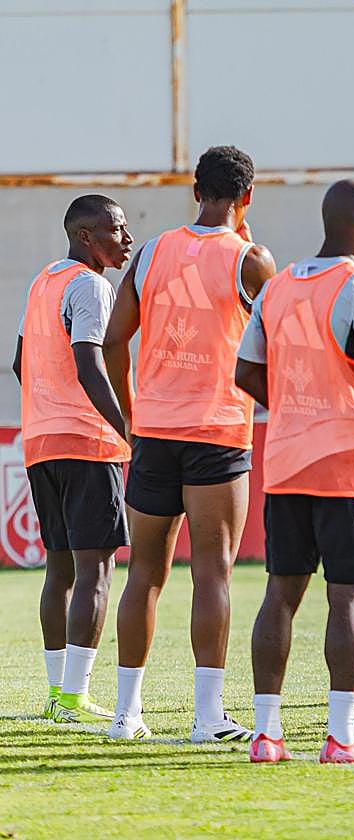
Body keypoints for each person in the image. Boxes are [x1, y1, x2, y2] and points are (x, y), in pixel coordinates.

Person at [102, 146, 276, 742]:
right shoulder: (250, 259)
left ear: (195, 189)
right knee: (213, 574)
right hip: (217, 434)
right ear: (247, 197)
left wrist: (132, 411)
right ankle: (207, 716)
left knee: (143, 574)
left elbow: (111, 340)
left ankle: (128, 714)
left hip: (153, 432)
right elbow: (275, 346)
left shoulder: (151, 252)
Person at [234, 178, 354, 764]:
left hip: (285, 462)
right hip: (347, 465)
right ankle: (341, 737)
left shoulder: (277, 287)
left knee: (280, 595)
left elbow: (246, 372)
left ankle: (266, 735)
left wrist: (289, 406)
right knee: (349, 599)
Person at [13, 195, 133, 726]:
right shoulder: (91, 285)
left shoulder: (43, 281)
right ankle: (74, 696)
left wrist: (47, 405)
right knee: (96, 569)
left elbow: (19, 361)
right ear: (87, 236)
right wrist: (128, 429)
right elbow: (90, 362)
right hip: (86, 442)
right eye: (117, 229)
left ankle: (57, 693)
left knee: (60, 569)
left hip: (40, 443)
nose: (126, 239)